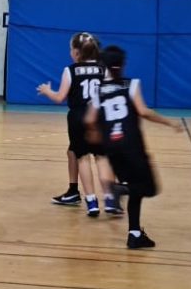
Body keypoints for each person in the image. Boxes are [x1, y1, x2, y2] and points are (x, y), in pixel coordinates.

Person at [88, 46, 181, 249]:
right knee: (150, 188)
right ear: (122, 65)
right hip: (131, 144)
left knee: (135, 189)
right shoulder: (131, 84)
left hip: (112, 147)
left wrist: (97, 135)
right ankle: (119, 189)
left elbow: (90, 120)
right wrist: (169, 122)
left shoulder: (99, 90)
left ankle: (135, 234)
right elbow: (143, 111)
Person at [37, 31, 118, 217]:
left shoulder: (71, 70)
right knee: (102, 158)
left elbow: (60, 97)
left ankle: (91, 202)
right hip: (99, 115)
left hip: (78, 117)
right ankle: (110, 200)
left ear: (76, 52)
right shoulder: (104, 69)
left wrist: (47, 91)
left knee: (82, 158)